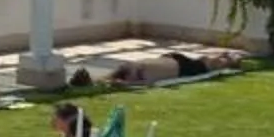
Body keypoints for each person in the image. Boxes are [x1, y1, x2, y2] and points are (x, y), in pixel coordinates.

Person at [101, 46, 248, 86]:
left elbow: (146, 83)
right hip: (172, 62)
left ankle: (230, 60)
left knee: (206, 65)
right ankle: (225, 56)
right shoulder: (133, 69)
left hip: (176, 65)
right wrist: (124, 83)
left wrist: (126, 84)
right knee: (202, 62)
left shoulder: (136, 72)